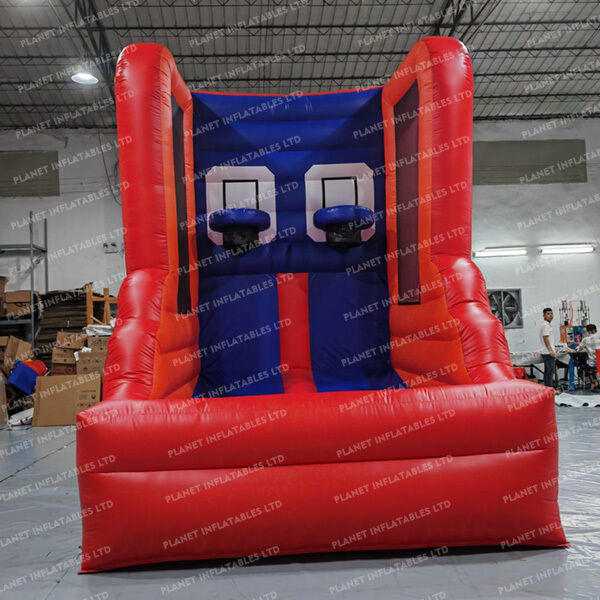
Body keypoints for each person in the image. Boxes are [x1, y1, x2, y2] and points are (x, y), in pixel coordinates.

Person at [576, 324, 600, 391]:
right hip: (599, 362)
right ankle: (596, 381)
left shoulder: (585, 339)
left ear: (587, 331)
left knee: (580, 370)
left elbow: (578, 349)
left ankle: (591, 383)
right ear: (596, 330)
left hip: (593, 363)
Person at [540, 307, 556, 387]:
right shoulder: (545, 325)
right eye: (548, 314)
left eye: (551, 313)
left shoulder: (547, 325)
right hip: (547, 352)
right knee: (550, 371)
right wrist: (550, 350)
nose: (550, 315)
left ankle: (547, 388)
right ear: (544, 316)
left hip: (546, 351)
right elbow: (545, 338)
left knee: (547, 371)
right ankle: (550, 388)